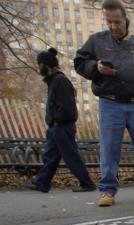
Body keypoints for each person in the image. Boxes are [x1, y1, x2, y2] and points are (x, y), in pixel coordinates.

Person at [74, 0, 134, 207]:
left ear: (126, 20)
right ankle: (107, 190)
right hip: (110, 103)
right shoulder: (96, 41)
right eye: (109, 22)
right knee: (109, 148)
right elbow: (79, 63)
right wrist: (95, 67)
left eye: (117, 22)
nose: (114, 26)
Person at [29, 48, 96, 194]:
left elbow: (67, 108)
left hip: (62, 126)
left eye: (40, 64)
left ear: (47, 65)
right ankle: (42, 183)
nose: (39, 67)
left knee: (71, 156)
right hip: (56, 127)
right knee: (50, 156)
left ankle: (87, 184)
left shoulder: (60, 80)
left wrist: (56, 120)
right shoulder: (53, 81)